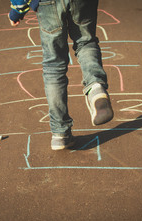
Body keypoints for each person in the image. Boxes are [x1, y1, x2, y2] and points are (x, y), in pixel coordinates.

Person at [8, 0, 113, 150]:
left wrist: (17, 11)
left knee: (53, 64)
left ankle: (60, 133)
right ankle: (95, 88)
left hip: (47, 4)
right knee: (86, 43)